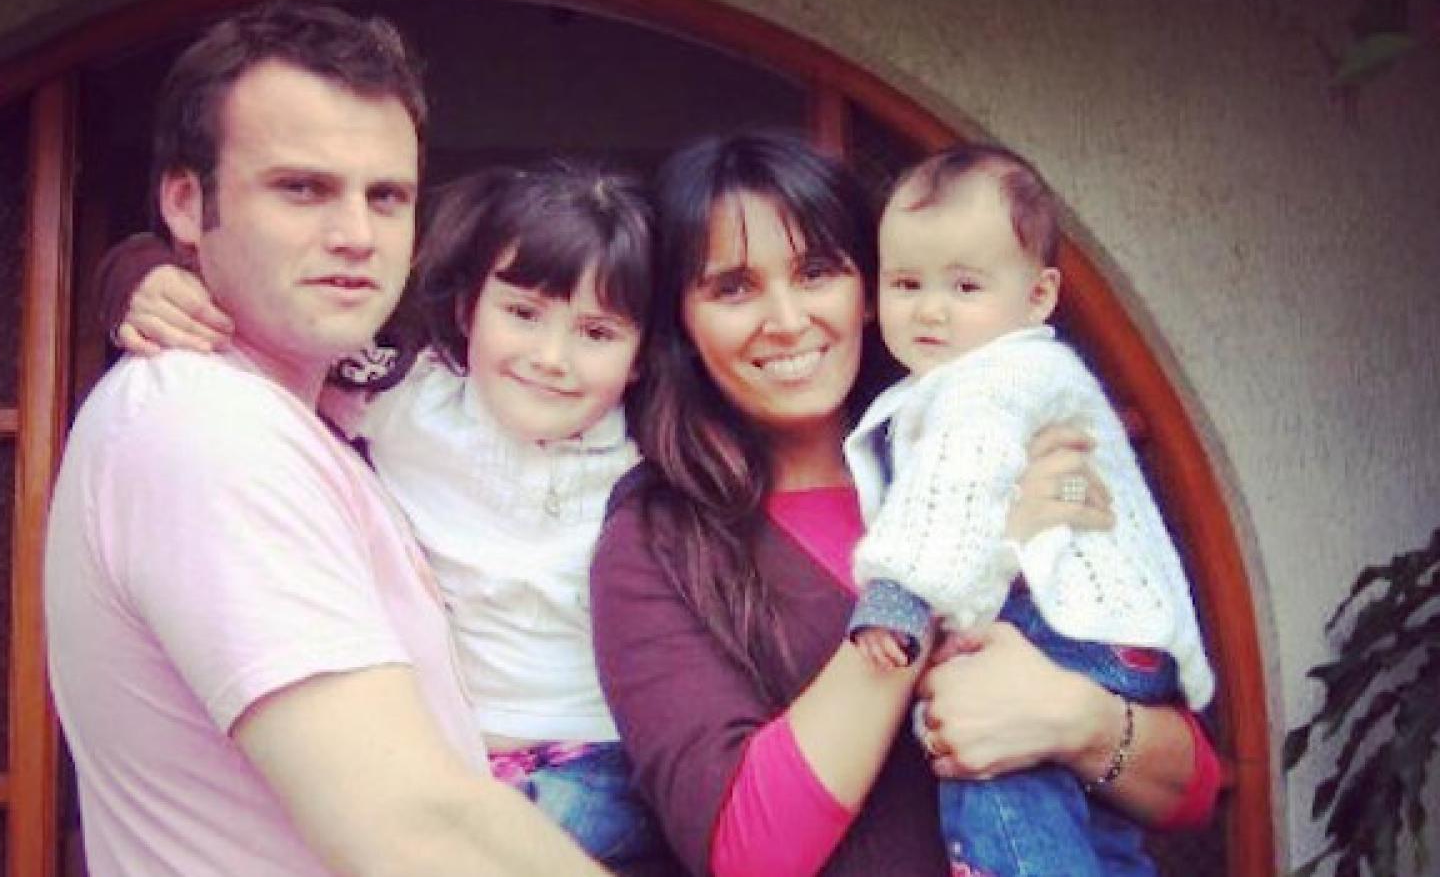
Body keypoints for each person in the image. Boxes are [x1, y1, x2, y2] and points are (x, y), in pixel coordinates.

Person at [44, 0, 601, 876]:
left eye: (387, 197)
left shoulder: (326, 407)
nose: (355, 237)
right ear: (186, 203)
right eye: (301, 189)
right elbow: (413, 826)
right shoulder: (206, 424)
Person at [589, 131, 1222, 876]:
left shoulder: (987, 436)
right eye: (733, 287)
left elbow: (1192, 789)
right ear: (682, 322)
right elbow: (750, 854)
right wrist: (969, 566)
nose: (787, 319)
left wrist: (1072, 719)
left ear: (865, 289)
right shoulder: (655, 539)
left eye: (816, 271)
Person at [98, 159, 666, 868]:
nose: (552, 358)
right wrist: (137, 273)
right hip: (442, 763)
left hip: (599, 767)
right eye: (523, 314)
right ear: (468, 310)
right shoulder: (407, 399)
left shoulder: (654, 453)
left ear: (639, 357)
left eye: (597, 333)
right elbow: (262, 323)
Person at [843, 143, 1215, 875]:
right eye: (907, 282)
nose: (930, 309)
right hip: (1113, 636)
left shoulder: (994, 380)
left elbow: (959, 493)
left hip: (1064, 629)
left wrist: (898, 595)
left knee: (997, 777)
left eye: (966, 285)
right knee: (1093, 834)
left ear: (1039, 297)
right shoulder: (967, 380)